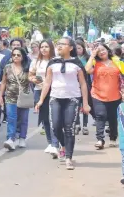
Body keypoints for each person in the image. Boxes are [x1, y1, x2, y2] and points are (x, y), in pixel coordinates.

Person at [37, 37, 91, 170]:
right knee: (55, 126)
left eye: (63, 44)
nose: (59, 46)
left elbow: (83, 84)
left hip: (72, 99)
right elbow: (47, 82)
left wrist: (85, 103)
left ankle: (68, 157)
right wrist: (41, 100)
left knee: (69, 128)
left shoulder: (77, 64)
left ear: (71, 48)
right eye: (58, 44)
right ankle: (63, 145)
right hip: (55, 98)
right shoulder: (52, 63)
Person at [85, 43, 123, 149]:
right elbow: (87, 70)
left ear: (107, 50)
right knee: (100, 116)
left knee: (112, 118)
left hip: (115, 95)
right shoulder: (95, 63)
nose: (101, 52)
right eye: (98, 51)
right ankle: (100, 139)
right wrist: (92, 56)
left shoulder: (116, 62)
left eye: (103, 49)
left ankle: (113, 138)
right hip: (98, 95)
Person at [29, 39, 59, 157]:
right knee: (45, 118)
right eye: (42, 47)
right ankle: (50, 142)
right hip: (39, 90)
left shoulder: (56, 61)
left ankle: (56, 143)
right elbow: (30, 75)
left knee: (54, 118)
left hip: (54, 92)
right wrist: (33, 79)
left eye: (46, 46)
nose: (44, 49)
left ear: (51, 48)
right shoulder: (36, 62)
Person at [0, 47, 31, 151]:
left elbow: (33, 79)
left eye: (18, 55)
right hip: (10, 97)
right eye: (14, 55)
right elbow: (3, 82)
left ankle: (22, 138)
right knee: (11, 118)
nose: (16, 57)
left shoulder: (27, 67)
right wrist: (0, 96)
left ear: (22, 57)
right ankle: (10, 139)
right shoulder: (7, 67)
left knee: (23, 119)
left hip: (24, 97)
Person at [75, 39, 91, 135]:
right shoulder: (72, 58)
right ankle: (77, 124)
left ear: (83, 49)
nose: (77, 50)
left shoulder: (87, 58)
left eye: (79, 48)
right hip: (74, 85)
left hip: (85, 84)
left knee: (85, 104)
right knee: (76, 106)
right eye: (76, 48)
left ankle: (85, 125)